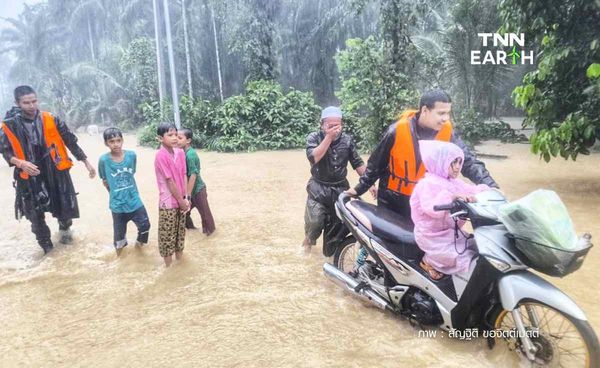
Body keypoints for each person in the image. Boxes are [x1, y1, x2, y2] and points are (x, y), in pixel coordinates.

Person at [346, 90, 497, 218]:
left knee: (421, 247)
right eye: (441, 113)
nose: (446, 118)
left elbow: (468, 161)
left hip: (427, 200)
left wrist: (491, 186)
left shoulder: (448, 133)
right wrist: (358, 189)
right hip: (393, 200)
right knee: (388, 246)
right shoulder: (396, 131)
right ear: (425, 110)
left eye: (448, 113)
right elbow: (375, 165)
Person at [0, 85, 96, 254]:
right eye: (26, 102)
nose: (31, 105)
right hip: (29, 175)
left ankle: (65, 237)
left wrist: (85, 161)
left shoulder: (51, 118)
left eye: (34, 101)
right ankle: (48, 251)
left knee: (65, 210)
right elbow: (5, 152)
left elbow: (70, 141)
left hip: (56, 171)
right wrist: (21, 163)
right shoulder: (9, 126)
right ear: (17, 103)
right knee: (36, 216)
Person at [410, 140, 490, 279]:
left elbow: (471, 190)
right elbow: (432, 208)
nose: (457, 167)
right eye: (453, 162)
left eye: (460, 162)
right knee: (464, 259)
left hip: (450, 233)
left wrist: (490, 191)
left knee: (479, 248)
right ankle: (428, 261)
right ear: (440, 162)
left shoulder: (453, 182)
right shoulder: (426, 184)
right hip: (431, 236)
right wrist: (452, 196)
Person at [303, 106, 374, 255]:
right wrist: (328, 137)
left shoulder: (347, 140)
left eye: (338, 125)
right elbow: (313, 157)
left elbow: (357, 163)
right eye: (331, 126)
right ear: (322, 125)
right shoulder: (313, 138)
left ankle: (331, 257)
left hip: (340, 189)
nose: (335, 129)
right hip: (318, 188)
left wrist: (370, 183)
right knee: (315, 222)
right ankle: (308, 241)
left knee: (337, 230)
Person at [98, 127, 150, 255]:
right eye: (111, 141)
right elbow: (105, 180)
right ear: (106, 143)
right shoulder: (104, 160)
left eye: (118, 140)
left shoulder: (131, 155)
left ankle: (139, 247)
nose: (116, 144)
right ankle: (120, 260)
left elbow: (132, 173)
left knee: (145, 226)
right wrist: (114, 194)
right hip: (118, 205)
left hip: (134, 200)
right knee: (119, 238)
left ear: (122, 140)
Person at [154, 122, 189, 267]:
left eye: (176, 134)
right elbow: (170, 181)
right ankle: (169, 268)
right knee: (167, 238)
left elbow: (184, 175)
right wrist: (181, 201)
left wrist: (186, 197)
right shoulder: (160, 156)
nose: (174, 138)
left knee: (179, 237)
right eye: (170, 135)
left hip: (182, 200)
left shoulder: (180, 153)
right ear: (160, 138)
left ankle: (179, 267)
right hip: (168, 203)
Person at [177, 127, 216, 235]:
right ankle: (192, 231)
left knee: (205, 216)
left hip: (198, 190)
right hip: (190, 191)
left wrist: (188, 196)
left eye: (180, 138)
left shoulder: (190, 155)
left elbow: (193, 175)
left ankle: (211, 235)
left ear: (188, 140)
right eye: (176, 137)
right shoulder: (182, 153)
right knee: (184, 213)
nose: (176, 140)